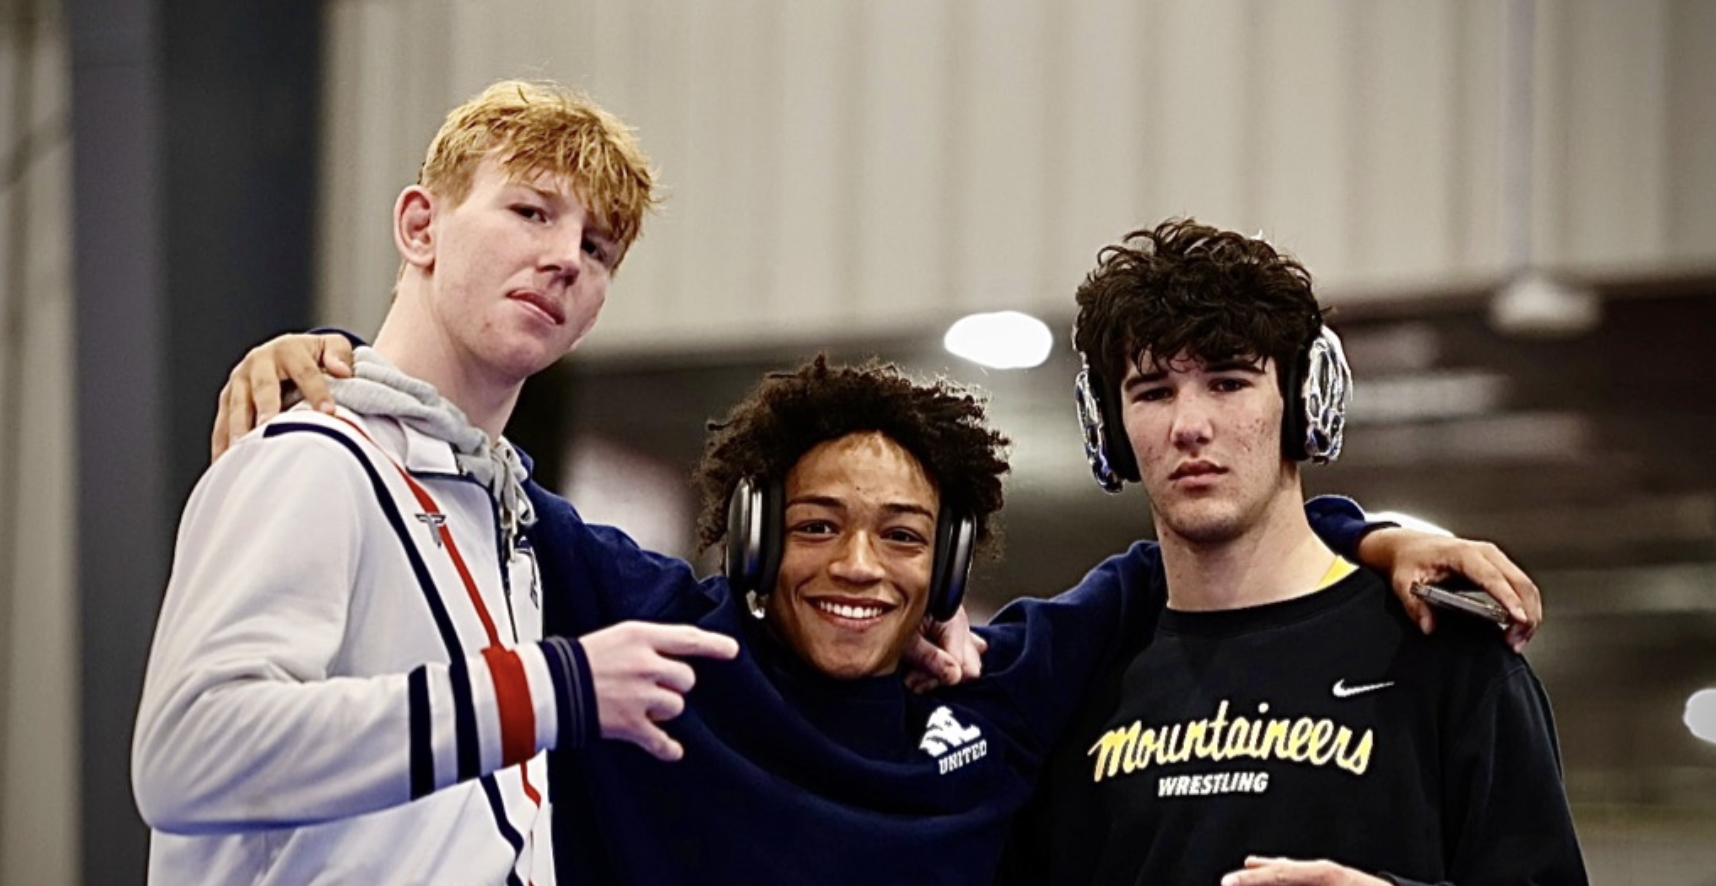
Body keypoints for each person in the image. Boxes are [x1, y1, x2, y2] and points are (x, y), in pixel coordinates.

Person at [214, 340, 1542, 884]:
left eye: (904, 536)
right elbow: (468, 458)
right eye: (813, 524)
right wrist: (331, 357)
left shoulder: (998, 686)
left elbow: (1181, 548)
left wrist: (1369, 531)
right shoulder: (657, 638)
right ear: (748, 537)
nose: (859, 563)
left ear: (951, 563)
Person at [130, 80, 740, 886]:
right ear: (422, 227)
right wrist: (548, 690)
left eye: (598, 249)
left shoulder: (509, 525)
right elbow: (188, 753)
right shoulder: (310, 459)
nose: (564, 259)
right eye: (531, 211)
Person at [1003, 218, 1586, 885]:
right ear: (1108, 425)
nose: (1189, 425)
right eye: (1154, 391)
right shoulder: (1074, 679)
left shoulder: (1447, 659)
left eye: (1229, 382)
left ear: (1304, 402)